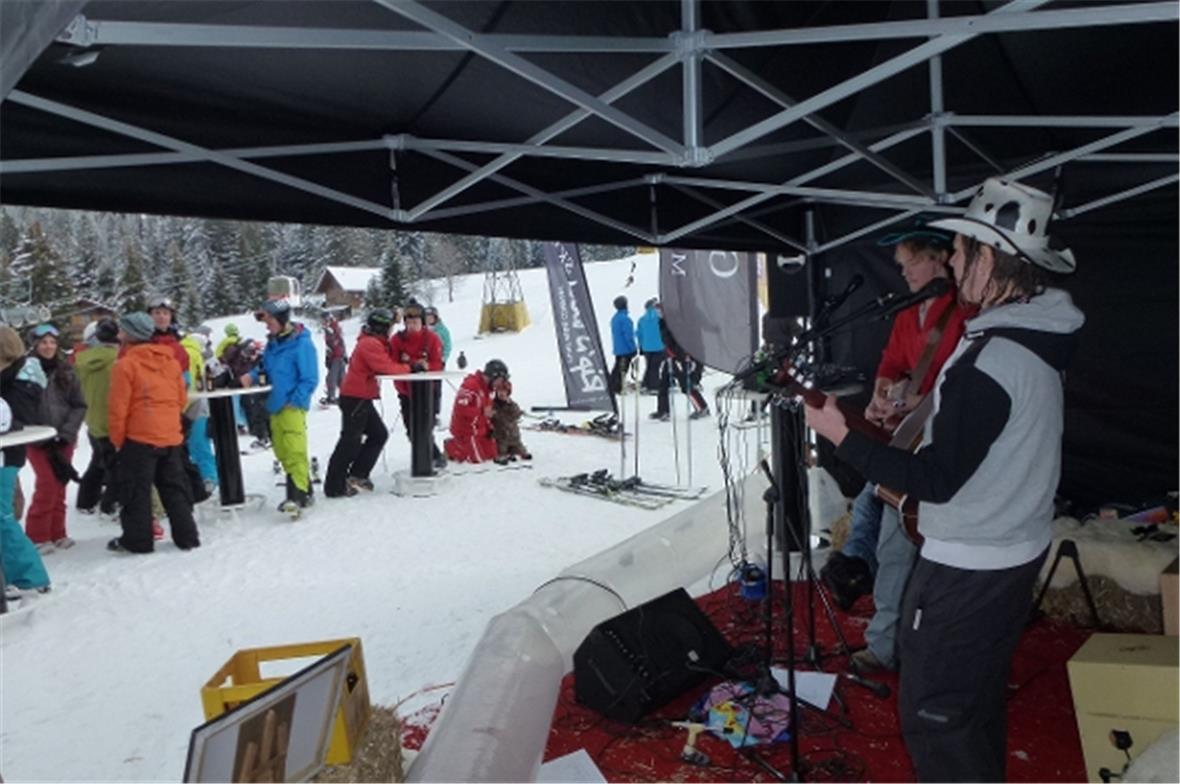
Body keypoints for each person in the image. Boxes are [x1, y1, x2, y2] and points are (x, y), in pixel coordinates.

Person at [805, 178, 1084, 782]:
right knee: (972, 705)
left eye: (960, 250)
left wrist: (842, 436)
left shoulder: (992, 358)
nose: (952, 261)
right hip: (1008, 552)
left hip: (970, 565)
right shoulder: (1030, 337)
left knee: (935, 715)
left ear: (990, 259)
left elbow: (934, 480)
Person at [818, 225, 969, 679]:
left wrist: (920, 400)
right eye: (900, 265)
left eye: (911, 263)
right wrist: (881, 395)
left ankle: (886, 640)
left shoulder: (963, 310)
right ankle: (864, 591)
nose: (903, 273)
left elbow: (965, 381)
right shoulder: (908, 312)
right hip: (909, 438)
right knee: (878, 514)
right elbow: (891, 363)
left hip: (941, 442)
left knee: (896, 534)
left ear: (940, 259)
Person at [107, 313, 200, 553]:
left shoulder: (125, 365)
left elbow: (118, 408)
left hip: (139, 437)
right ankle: (187, 536)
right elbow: (181, 398)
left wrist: (118, 439)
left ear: (130, 334)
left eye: (122, 330)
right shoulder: (170, 361)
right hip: (170, 434)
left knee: (136, 491)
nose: (119, 334)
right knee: (174, 488)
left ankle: (138, 541)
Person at [240, 299, 318, 514]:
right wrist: (251, 376)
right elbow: (264, 369)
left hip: (292, 405)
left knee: (294, 450)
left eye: (270, 321)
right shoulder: (273, 344)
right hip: (274, 405)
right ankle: (306, 489)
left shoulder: (301, 344)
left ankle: (297, 496)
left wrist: (296, 400)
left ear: (282, 320)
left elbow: (310, 378)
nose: (267, 326)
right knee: (282, 451)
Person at [323, 309, 408, 498]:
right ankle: (334, 486)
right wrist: (411, 367)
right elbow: (386, 367)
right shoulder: (370, 344)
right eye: (389, 327)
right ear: (382, 328)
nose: (391, 331)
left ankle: (358, 474)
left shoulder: (372, 342)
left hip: (360, 397)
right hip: (355, 398)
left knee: (378, 434)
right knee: (350, 442)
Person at [23, 324, 86, 553]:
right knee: (47, 483)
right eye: (43, 342)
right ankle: (37, 534)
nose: (48, 347)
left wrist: (67, 433)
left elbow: (79, 405)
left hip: (63, 437)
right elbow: (21, 407)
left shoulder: (66, 370)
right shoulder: (25, 372)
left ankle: (58, 531)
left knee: (60, 482)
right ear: (35, 345)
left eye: (52, 342)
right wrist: (39, 433)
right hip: (37, 439)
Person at [0, 332, 51, 596]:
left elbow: (16, 418)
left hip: (5, 455)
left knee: (2, 518)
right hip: (8, 453)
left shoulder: (19, 380)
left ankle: (29, 577)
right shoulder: (15, 376)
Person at [389, 302, 445, 469]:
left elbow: (438, 364)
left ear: (423, 322)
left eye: (415, 322)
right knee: (412, 429)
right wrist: (413, 364)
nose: (412, 326)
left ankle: (432, 457)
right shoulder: (397, 340)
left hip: (428, 390)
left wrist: (426, 365)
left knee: (426, 426)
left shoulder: (432, 339)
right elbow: (392, 363)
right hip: (406, 391)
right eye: (408, 322)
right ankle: (430, 456)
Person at [75, 317, 121, 517]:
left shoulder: (81, 360)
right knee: (115, 465)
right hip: (112, 418)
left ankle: (86, 500)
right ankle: (111, 504)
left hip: (93, 417)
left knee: (99, 461)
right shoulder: (116, 359)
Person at [650, 306, 709, 421]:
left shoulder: (673, 322)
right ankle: (663, 410)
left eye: (659, 311)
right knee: (663, 384)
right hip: (669, 356)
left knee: (685, 385)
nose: (658, 313)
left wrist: (681, 356)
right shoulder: (662, 322)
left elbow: (680, 340)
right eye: (656, 311)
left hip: (678, 357)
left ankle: (702, 407)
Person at [445, 359, 509, 463]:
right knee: (477, 460)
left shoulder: (488, 389)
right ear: (493, 376)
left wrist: (490, 428)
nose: (500, 384)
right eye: (500, 380)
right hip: (466, 431)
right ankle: (452, 446)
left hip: (480, 430)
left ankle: (468, 446)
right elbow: (461, 409)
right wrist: (482, 412)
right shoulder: (470, 386)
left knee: (491, 456)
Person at [180, 329, 217, 490]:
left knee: (192, 444)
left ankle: (203, 478)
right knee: (200, 443)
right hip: (196, 404)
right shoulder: (194, 354)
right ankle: (209, 477)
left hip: (187, 404)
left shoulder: (183, 351)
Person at [490, 380, 531, 461]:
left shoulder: (512, 404)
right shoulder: (493, 405)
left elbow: (517, 414)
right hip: (501, 437)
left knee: (521, 450)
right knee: (501, 450)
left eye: (504, 391)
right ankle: (507, 455)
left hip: (513, 436)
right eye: (499, 391)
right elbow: (494, 417)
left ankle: (516, 453)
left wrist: (511, 405)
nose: (501, 393)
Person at [424, 306, 451, 425]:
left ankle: (435, 413)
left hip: (438, 363)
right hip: (424, 363)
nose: (429, 319)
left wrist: (443, 358)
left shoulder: (442, 330)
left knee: (436, 389)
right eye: (427, 317)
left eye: (431, 317)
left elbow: (448, 345)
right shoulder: (422, 329)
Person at [608, 295, 637, 395]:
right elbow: (629, 335)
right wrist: (633, 348)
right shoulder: (625, 319)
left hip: (618, 348)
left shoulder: (615, 318)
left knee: (617, 367)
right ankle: (617, 387)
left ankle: (612, 385)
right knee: (623, 369)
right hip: (626, 349)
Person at [635, 298, 665, 393]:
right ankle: (654, 386)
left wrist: (640, 346)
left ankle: (645, 384)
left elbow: (639, 334)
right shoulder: (660, 319)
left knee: (649, 366)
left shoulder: (642, 320)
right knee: (655, 367)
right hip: (659, 346)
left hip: (646, 347)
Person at [321, 314, 347, 406]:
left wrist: (331, 357)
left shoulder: (331, 329)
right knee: (340, 378)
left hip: (337, 357)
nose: (323, 323)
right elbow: (333, 345)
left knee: (332, 377)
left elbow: (334, 344)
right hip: (338, 356)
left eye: (324, 321)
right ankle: (345, 396)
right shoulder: (333, 328)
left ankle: (331, 396)